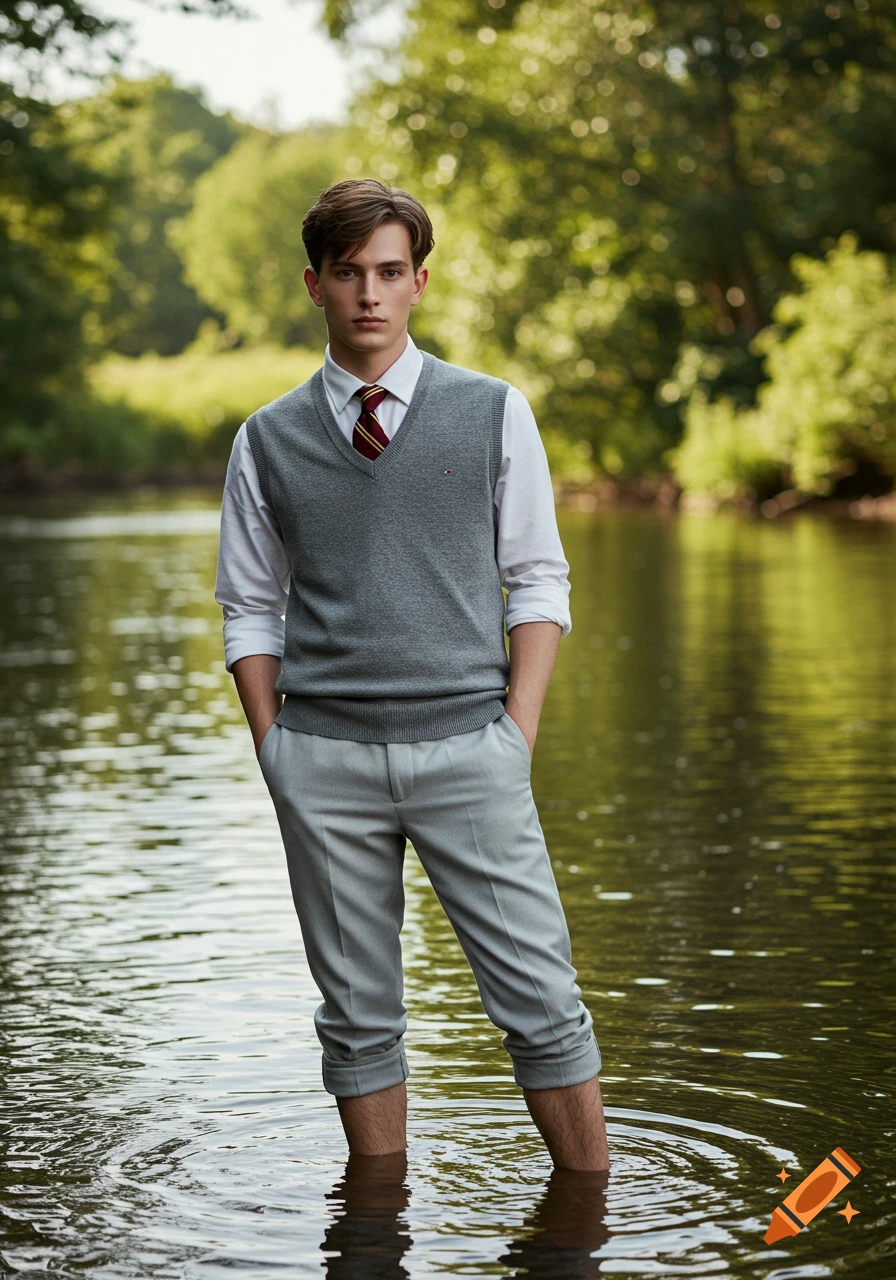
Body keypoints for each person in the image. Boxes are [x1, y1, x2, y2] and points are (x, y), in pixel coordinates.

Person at [214, 178, 609, 1171]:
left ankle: (588, 1213)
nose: (368, 294)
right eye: (347, 272)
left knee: (541, 1003)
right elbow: (250, 605)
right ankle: (375, 1228)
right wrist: (276, 750)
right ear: (314, 283)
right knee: (355, 1019)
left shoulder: (491, 412)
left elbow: (536, 578)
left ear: (419, 281)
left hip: (470, 749)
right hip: (324, 760)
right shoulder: (265, 438)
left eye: (388, 271)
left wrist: (514, 731)